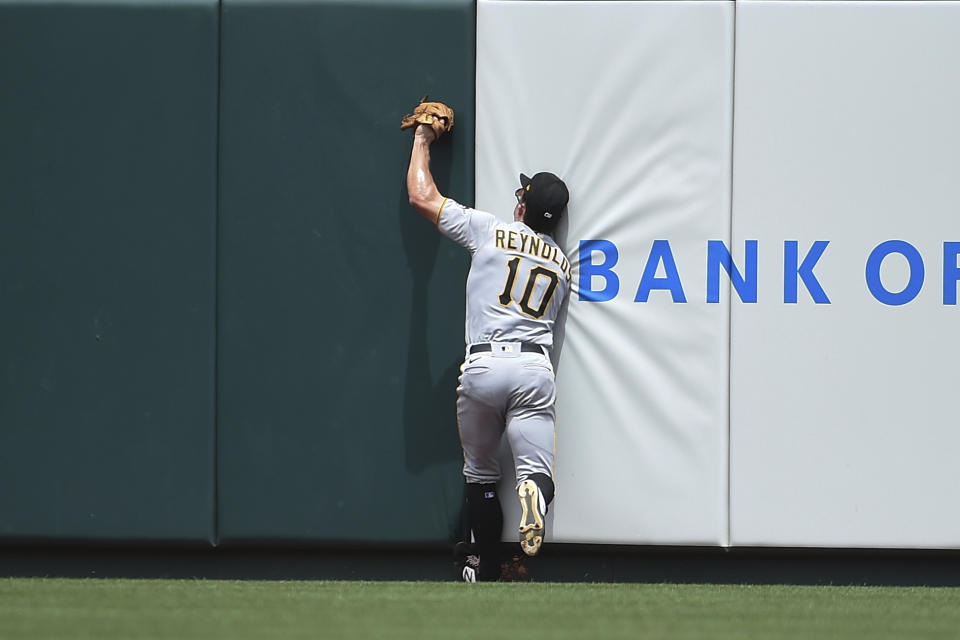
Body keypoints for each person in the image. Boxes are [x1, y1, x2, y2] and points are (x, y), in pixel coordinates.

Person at [406, 122, 572, 582]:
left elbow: (422, 196)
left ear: (522, 206)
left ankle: (485, 565)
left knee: (480, 474)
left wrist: (421, 142)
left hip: (483, 363)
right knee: (535, 473)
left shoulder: (489, 230)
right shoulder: (562, 264)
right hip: (533, 367)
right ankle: (533, 493)